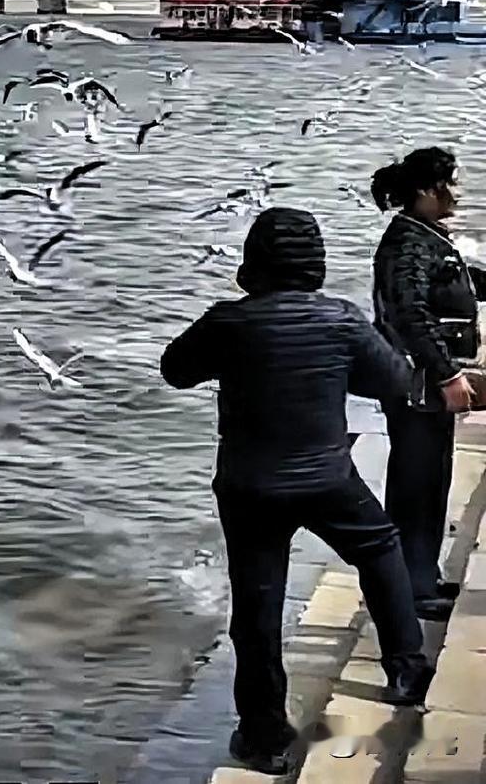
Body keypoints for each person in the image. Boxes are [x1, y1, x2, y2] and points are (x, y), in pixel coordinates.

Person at [161, 206, 431, 777]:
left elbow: (175, 370)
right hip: (328, 479)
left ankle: (265, 737)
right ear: (317, 263)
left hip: (250, 487)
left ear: (253, 260)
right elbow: (394, 383)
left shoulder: (228, 323)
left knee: (257, 607)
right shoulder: (340, 319)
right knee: (379, 549)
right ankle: (405, 670)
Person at [371, 144, 486, 619]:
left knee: (431, 478)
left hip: (426, 385)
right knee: (416, 484)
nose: (456, 193)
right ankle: (412, 587)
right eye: (449, 184)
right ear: (425, 191)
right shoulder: (407, 245)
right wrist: (449, 373)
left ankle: (423, 575)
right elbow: (411, 313)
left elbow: (458, 282)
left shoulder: (424, 237)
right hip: (418, 383)